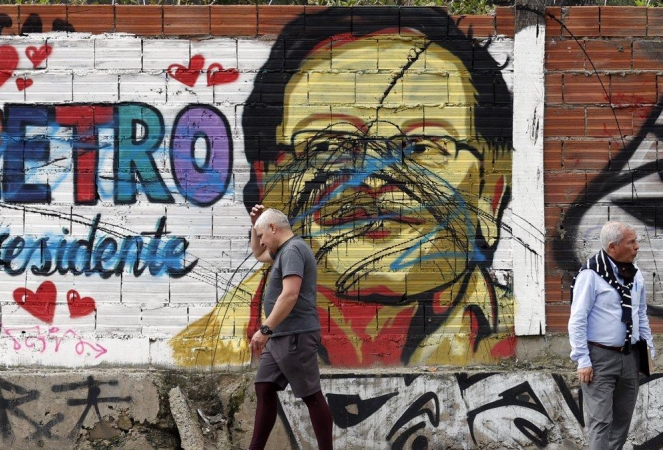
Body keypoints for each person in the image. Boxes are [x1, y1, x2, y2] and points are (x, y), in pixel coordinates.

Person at [170, 8, 515, 367]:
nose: (373, 178)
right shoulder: (201, 357)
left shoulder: (523, 336)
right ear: (269, 182)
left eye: (421, 147)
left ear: (491, 190)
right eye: (326, 146)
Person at [246, 206, 332, 450]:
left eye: (262, 235)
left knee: (311, 396)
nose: (261, 241)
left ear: (273, 228)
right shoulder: (283, 250)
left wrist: (265, 329)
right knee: (264, 386)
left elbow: (290, 295)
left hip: (295, 334)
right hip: (281, 335)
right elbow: (257, 253)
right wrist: (254, 225)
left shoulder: (293, 250)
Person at [568, 221, 654, 450]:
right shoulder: (591, 275)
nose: (637, 247)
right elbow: (577, 319)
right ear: (613, 247)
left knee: (622, 423)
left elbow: (641, 313)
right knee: (600, 423)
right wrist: (583, 360)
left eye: (636, 241)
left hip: (630, 357)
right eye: (631, 242)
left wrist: (648, 348)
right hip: (599, 359)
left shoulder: (635, 275)